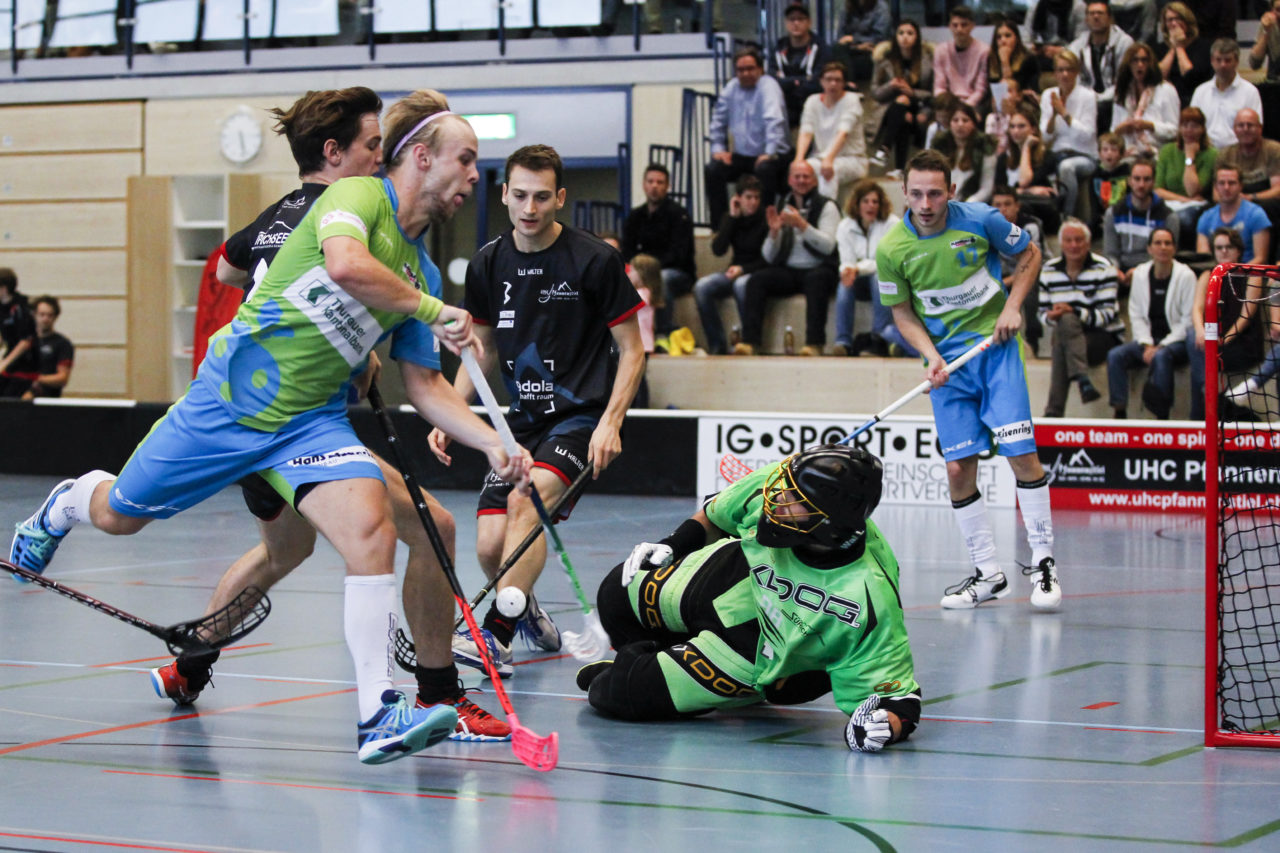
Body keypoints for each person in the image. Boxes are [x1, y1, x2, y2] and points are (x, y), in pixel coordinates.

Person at [9, 91, 535, 765]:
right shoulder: (355, 199)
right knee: (119, 515)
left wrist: (492, 441)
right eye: (466, 161)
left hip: (308, 423)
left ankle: (377, 711)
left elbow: (426, 386)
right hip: (230, 401)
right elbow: (344, 264)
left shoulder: (420, 268)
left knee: (370, 529)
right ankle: (67, 501)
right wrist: (437, 310)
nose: (473, 177)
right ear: (423, 158)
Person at [152, 88, 514, 743]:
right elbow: (344, 280)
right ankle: (438, 695)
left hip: (261, 401)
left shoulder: (283, 212)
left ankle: (189, 664)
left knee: (282, 550)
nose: (377, 160)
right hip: (286, 418)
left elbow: (230, 270)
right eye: (374, 149)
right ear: (342, 152)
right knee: (432, 527)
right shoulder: (355, 214)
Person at [431, 144, 645, 674]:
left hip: (579, 421)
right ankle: (525, 609)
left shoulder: (595, 260)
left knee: (526, 508)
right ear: (504, 194)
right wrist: (452, 410)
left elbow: (634, 349)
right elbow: (479, 347)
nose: (530, 208)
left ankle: (495, 637)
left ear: (560, 198)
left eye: (542, 197)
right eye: (520, 195)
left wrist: (611, 424)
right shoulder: (486, 263)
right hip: (516, 425)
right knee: (490, 544)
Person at [576, 444, 922, 755]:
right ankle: (671, 662)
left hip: (759, 656)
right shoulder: (785, 482)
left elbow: (900, 701)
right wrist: (672, 544)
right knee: (615, 595)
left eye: (792, 502)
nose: (776, 498)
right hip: (739, 576)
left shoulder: (869, 597)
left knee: (620, 693)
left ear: (826, 526)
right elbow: (714, 517)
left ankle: (666, 672)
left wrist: (884, 728)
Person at [875, 149, 1059, 610]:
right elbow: (902, 314)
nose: (925, 202)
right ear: (904, 192)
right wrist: (931, 356)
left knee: (1022, 455)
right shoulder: (892, 249)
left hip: (995, 353)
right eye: (916, 193)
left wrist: (1013, 306)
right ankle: (987, 573)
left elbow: (1030, 253)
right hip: (947, 368)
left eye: (935, 192)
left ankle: (1043, 565)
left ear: (951, 191)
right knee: (958, 468)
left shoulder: (981, 220)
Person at [736, 160, 840, 357]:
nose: (801, 180)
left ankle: (814, 344)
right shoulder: (782, 205)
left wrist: (802, 225)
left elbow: (828, 246)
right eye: (797, 176)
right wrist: (774, 234)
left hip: (820, 267)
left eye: (806, 176)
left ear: (815, 181)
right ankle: (750, 342)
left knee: (816, 279)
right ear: (789, 180)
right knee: (757, 280)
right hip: (790, 269)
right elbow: (768, 256)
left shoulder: (827, 206)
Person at [1105, 227, 1195, 418]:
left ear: (1174, 248)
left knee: (1162, 357)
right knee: (1115, 355)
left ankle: (1161, 416)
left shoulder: (1186, 275)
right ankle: (1119, 412)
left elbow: (1188, 321)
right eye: (1158, 243)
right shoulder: (1140, 274)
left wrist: (1160, 346)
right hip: (1148, 341)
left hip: (1177, 342)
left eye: (1167, 243)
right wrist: (1146, 344)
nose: (1163, 247)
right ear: (1149, 248)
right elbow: (1135, 313)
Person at [1037, 218, 1125, 417]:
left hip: (1102, 337)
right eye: (1069, 240)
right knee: (1063, 330)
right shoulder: (1049, 270)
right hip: (1067, 337)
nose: (1074, 245)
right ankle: (1082, 381)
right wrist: (1052, 316)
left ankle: (1053, 413)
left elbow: (1108, 315)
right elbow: (1042, 314)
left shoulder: (1104, 268)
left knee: (1065, 329)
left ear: (1088, 243)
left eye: (1079, 240)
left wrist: (1074, 312)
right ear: (1061, 244)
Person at [706, 46, 790, 225]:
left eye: (750, 68)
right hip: (744, 156)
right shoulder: (731, 87)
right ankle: (720, 226)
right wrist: (719, 149)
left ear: (760, 69)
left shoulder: (768, 86)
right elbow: (718, 121)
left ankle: (763, 225)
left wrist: (769, 153)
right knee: (713, 169)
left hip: (774, 155)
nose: (745, 73)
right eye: (740, 70)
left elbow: (774, 121)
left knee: (764, 169)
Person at [834, 179, 914, 357]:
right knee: (843, 284)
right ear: (857, 204)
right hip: (859, 279)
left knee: (879, 277)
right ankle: (842, 341)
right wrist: (847, 270)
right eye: (866, 201)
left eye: (875, 202)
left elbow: (887, 262)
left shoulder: (892, 224)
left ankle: (878, 338)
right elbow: (846, 259)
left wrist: (857, 268)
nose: (871, 206)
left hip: (887, 279)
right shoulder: (845, 226)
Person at [1192, 227, 1265, 420]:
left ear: (1239, 250)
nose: (1224, 251)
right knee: (1192, 339)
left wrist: (1224, 339)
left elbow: (1246, 317)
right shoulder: (1208, 275)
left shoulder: (1252, 275)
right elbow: (1197, 309)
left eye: (1229, 247)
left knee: (1208, 358)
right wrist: (1202, 332)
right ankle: (1212, 405)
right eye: (1219, 247)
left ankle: (1204, 413)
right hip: (1213, 338)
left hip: (1241, 341)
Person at [621, 163, 696, 341]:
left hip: (677, 273)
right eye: (651, 181)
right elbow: (627, 250)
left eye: (660, 182)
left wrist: (648, 271)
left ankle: (662, 332)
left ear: (667, 186)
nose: (655, 186)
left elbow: (680, 254)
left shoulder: (679, 214)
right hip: (641, 270)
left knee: (662, 279)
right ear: (644, 185)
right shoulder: (635, 216)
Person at [695, 175, 768, 355]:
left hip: (758, 271)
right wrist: (732, 218)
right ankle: (717, 343)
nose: (753, 202)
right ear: (738, 198)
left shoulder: (766, 219)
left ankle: (750, 341)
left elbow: (769, 259)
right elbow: (718, 249)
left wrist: (743, 270)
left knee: (742, 285)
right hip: (734, 269)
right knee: (702, 287)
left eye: (756, 198)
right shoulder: (732, 218)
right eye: (748, 197)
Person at [795, 62, 867, 202]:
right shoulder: (812, 101)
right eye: (828, 79)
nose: (833, 84)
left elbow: (843, 132)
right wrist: (798, 160)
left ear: (844, 83)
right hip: (821, 157)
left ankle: (826, 216)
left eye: (838, 80)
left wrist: (829, 158)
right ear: (821, 81)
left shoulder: (852, 100)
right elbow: (806, 132)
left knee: (828, 172)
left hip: (852, 159)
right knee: (801, 171)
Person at [869, 18, 934, 174]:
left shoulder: (928, 61)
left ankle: (885, 149)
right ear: (895, 37)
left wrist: (911, 92)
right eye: (901, 33)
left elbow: (933, 93)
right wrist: (890, 85)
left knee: (903, 100)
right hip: (891, 108)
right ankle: (899, 168)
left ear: (917, 36)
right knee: (902, 114)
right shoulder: (884, 61)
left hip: (920, 107)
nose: (905, 37)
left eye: (910, 33)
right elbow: (875, 92)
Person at [1040, 49, 1099, 220]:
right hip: (1055, 154)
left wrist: (1065, 114)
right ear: (1055, 73)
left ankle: (1067, 216)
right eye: (1060, 70)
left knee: (1067, 167)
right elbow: (1045, 137)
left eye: (1069, 69)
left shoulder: (1087, 97)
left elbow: (1087, 135)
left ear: (1077, 72)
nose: (1065, 74)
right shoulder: (1048, 95)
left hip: (1084, 155)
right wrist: (1053, 115)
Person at [1103, 156, 1179, 284]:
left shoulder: (1168, 217)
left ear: (1154, 182)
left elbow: (1167, 254)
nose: (1141, 185)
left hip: (1154, 271)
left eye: (1147, 179)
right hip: (1122, 271)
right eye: (1137, 179)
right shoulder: (1113, 213)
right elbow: (1110, 252)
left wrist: (1141, 271)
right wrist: (1115, 270)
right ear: (1129, 181)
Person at [992, 186, 1048, 354]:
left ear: (1017, 206)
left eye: (1007, 204)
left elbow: (1031, 264)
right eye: (997, 205)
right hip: (1005, 275)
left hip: (1037, 273)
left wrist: (1003, 282)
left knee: (1030, 287)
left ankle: (1033, 339)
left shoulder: (1029, 226)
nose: (1002, 210)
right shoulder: (988, 227)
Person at [1069, 1, 1134, 133]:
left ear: (1109, 18)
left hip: (1116, 97)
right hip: (1088, 98)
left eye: (1100, 13)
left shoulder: (1124, 42)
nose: (1096, 17)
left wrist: (1099, 99)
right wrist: (1088, 97)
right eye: (1092, 14)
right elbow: (1075, 78)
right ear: (1086, 19)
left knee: (1104, 108)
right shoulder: (1077, 45)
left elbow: (1123, 79)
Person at [1155, 106, 1217, 246]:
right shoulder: (1167, 151)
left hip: (1197, 207)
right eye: (1185, 125)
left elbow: (1192, 190)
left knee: (1180, 218)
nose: (1189, 130)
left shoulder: (1211, 154)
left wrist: (1190, 157)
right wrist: (1184, 200)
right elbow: (1158, 189)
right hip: (1172, 202)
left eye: (1194, 126)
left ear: (1202, 129)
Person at [996, 102, 1061, 233]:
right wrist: (1029, 190)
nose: (1016, 131)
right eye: (1012, 127)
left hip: (1041, 210)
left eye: (1021, 126)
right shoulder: (1004, 158)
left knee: (1021, 207)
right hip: (1009, 209)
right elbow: (999, 191)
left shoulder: (1047, 157)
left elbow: (1024, 181)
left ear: (1034, 129)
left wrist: (1026, 148)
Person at [1110, 41, 1181, 161]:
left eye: (1144, 60)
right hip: (1128, 152)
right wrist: (1121, 128)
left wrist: (1150, 126)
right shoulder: (1122, 92)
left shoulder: (1166, 90)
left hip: (1157, 152)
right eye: (1135, 60)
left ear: (1151, 63)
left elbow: (1175, 130)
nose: (1140, 65)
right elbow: (1112, 131)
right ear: (1128, 64)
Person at [1190, 39, 1263, 152]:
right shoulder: (1201, 91)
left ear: (1237, 62)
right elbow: (1192, 125)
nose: (1223, 65)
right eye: (1218, 60)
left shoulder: (1250, 92)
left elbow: (1256, 128)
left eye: (1227, 60)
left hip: (1238, 153)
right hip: (1205, 151)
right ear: (1212, 61)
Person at [1196, 164, 1272, 265]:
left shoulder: (1256, 215)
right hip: (1216, 273)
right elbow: (1204, 258)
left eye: (1231, 183)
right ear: (1215, 186)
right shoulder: (1206, 217)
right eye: (1222, 183)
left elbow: (1261, 258)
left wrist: (1237, 273)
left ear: (1241, 185)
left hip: (1248, 273)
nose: (1226, 187)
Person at [771, 3, 831, 128]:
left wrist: (786, 81)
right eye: (792, 19)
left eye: (800, 19)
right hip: (785, 102)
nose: (796, 23)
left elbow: (818, 81)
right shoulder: (778, 47)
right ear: (786, 23)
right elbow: (771, 79)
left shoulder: (820, 47)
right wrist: (799, 81)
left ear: (809, 22)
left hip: (812, 101)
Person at [930, 102, 998, 204]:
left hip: (970, 205)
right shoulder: (940, 146)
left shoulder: (985, 147)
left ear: (974, 124)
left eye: (965, 120)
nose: (960, 124)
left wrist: (965, 206)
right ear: (950, 124)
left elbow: (986, 189)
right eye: (955, 120)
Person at [1216, 109, 1280, 208]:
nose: (1245, 129)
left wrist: (1250, 198)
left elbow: (1277, 190)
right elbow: (1216, 193)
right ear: (1234, 130)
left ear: (1260, 128)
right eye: (1241, 125)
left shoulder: (1274, 150)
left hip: (1264, 201)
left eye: (1250, 125)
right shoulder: (1225, 154)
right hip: (1233, 203)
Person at [13, 296, 73, 400]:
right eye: (42, 315)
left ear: (55, 317)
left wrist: (34, 378)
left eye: (50, 315)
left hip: (45, 398)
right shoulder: (23, 342)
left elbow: (63, 378)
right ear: (34, 315)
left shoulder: (62, 344)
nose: (45, 319)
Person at [933, 6, 990, 111]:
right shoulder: (941, 50)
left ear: (972, 26)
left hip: (973, 103)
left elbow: (981, 89)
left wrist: (964, 107)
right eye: (955, 25)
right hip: (948, 103)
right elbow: (939, 86)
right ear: (949, 26)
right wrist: (947, 104)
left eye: (964, 25)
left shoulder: (984, 51)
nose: (959, 29)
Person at [1156, 2, 1212, 106]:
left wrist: (1179, 46)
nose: (1174, 23)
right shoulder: (1160, 48)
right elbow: (1159, 76)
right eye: (1170, 20)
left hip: (1193, 98)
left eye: (1178, 19)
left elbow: (1190, 76)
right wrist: (1173, 47)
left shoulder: (1203, 47)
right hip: (1167, 100)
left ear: (1187, 21)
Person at [834, 0, 892, 86]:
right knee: (835, 50)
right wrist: (858, 46)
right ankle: (850, 84)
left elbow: (880, 37)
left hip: (871, 53)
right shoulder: (846, 7)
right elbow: (841, 38)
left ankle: (850, 84)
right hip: (851, 50)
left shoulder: (880, 7)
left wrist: (854, 39)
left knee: (842, 61)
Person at [0, 267, 35, 396]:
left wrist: (4, 363)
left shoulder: (21, 306)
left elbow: (25, 341)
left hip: (26, 363)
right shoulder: (2, 307)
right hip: (11, 359)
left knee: (9, 397)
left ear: (4, 289)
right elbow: (4, 335)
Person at [1022, 0, 1087, 69]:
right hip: (1043, 52)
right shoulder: (1035, 6)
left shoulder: (1078, 6)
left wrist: (1063, 50)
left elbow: (1082, 40)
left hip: (1069, 52)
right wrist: (1032, 48)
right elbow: (1025, 38)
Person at [988, 17, 1042, 97]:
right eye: (999, 37)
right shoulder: (991, 59)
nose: (1003, 41)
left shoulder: (1029, 59)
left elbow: (1011, 87)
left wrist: (1005, 62)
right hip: (996, 100)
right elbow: (991, 89)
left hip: (1024, 99)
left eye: (1007, 36)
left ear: (1016, 38)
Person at [1091, 132, 1130, 220]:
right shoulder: (1095, 175)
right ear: (1099, 153)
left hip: (1122, 217)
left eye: (1114, 150)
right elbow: (1094, 203)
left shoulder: (1127, 174)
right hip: (1101, 217)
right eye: (1105, 150)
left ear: (1122, 154)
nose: (1109, 153)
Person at [1248, 0, 1280, 82]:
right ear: (1272, 11)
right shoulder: (1269, 25)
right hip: (1274, 82)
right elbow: (1254, 64)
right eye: (1278, 10)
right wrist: (1266, 32)